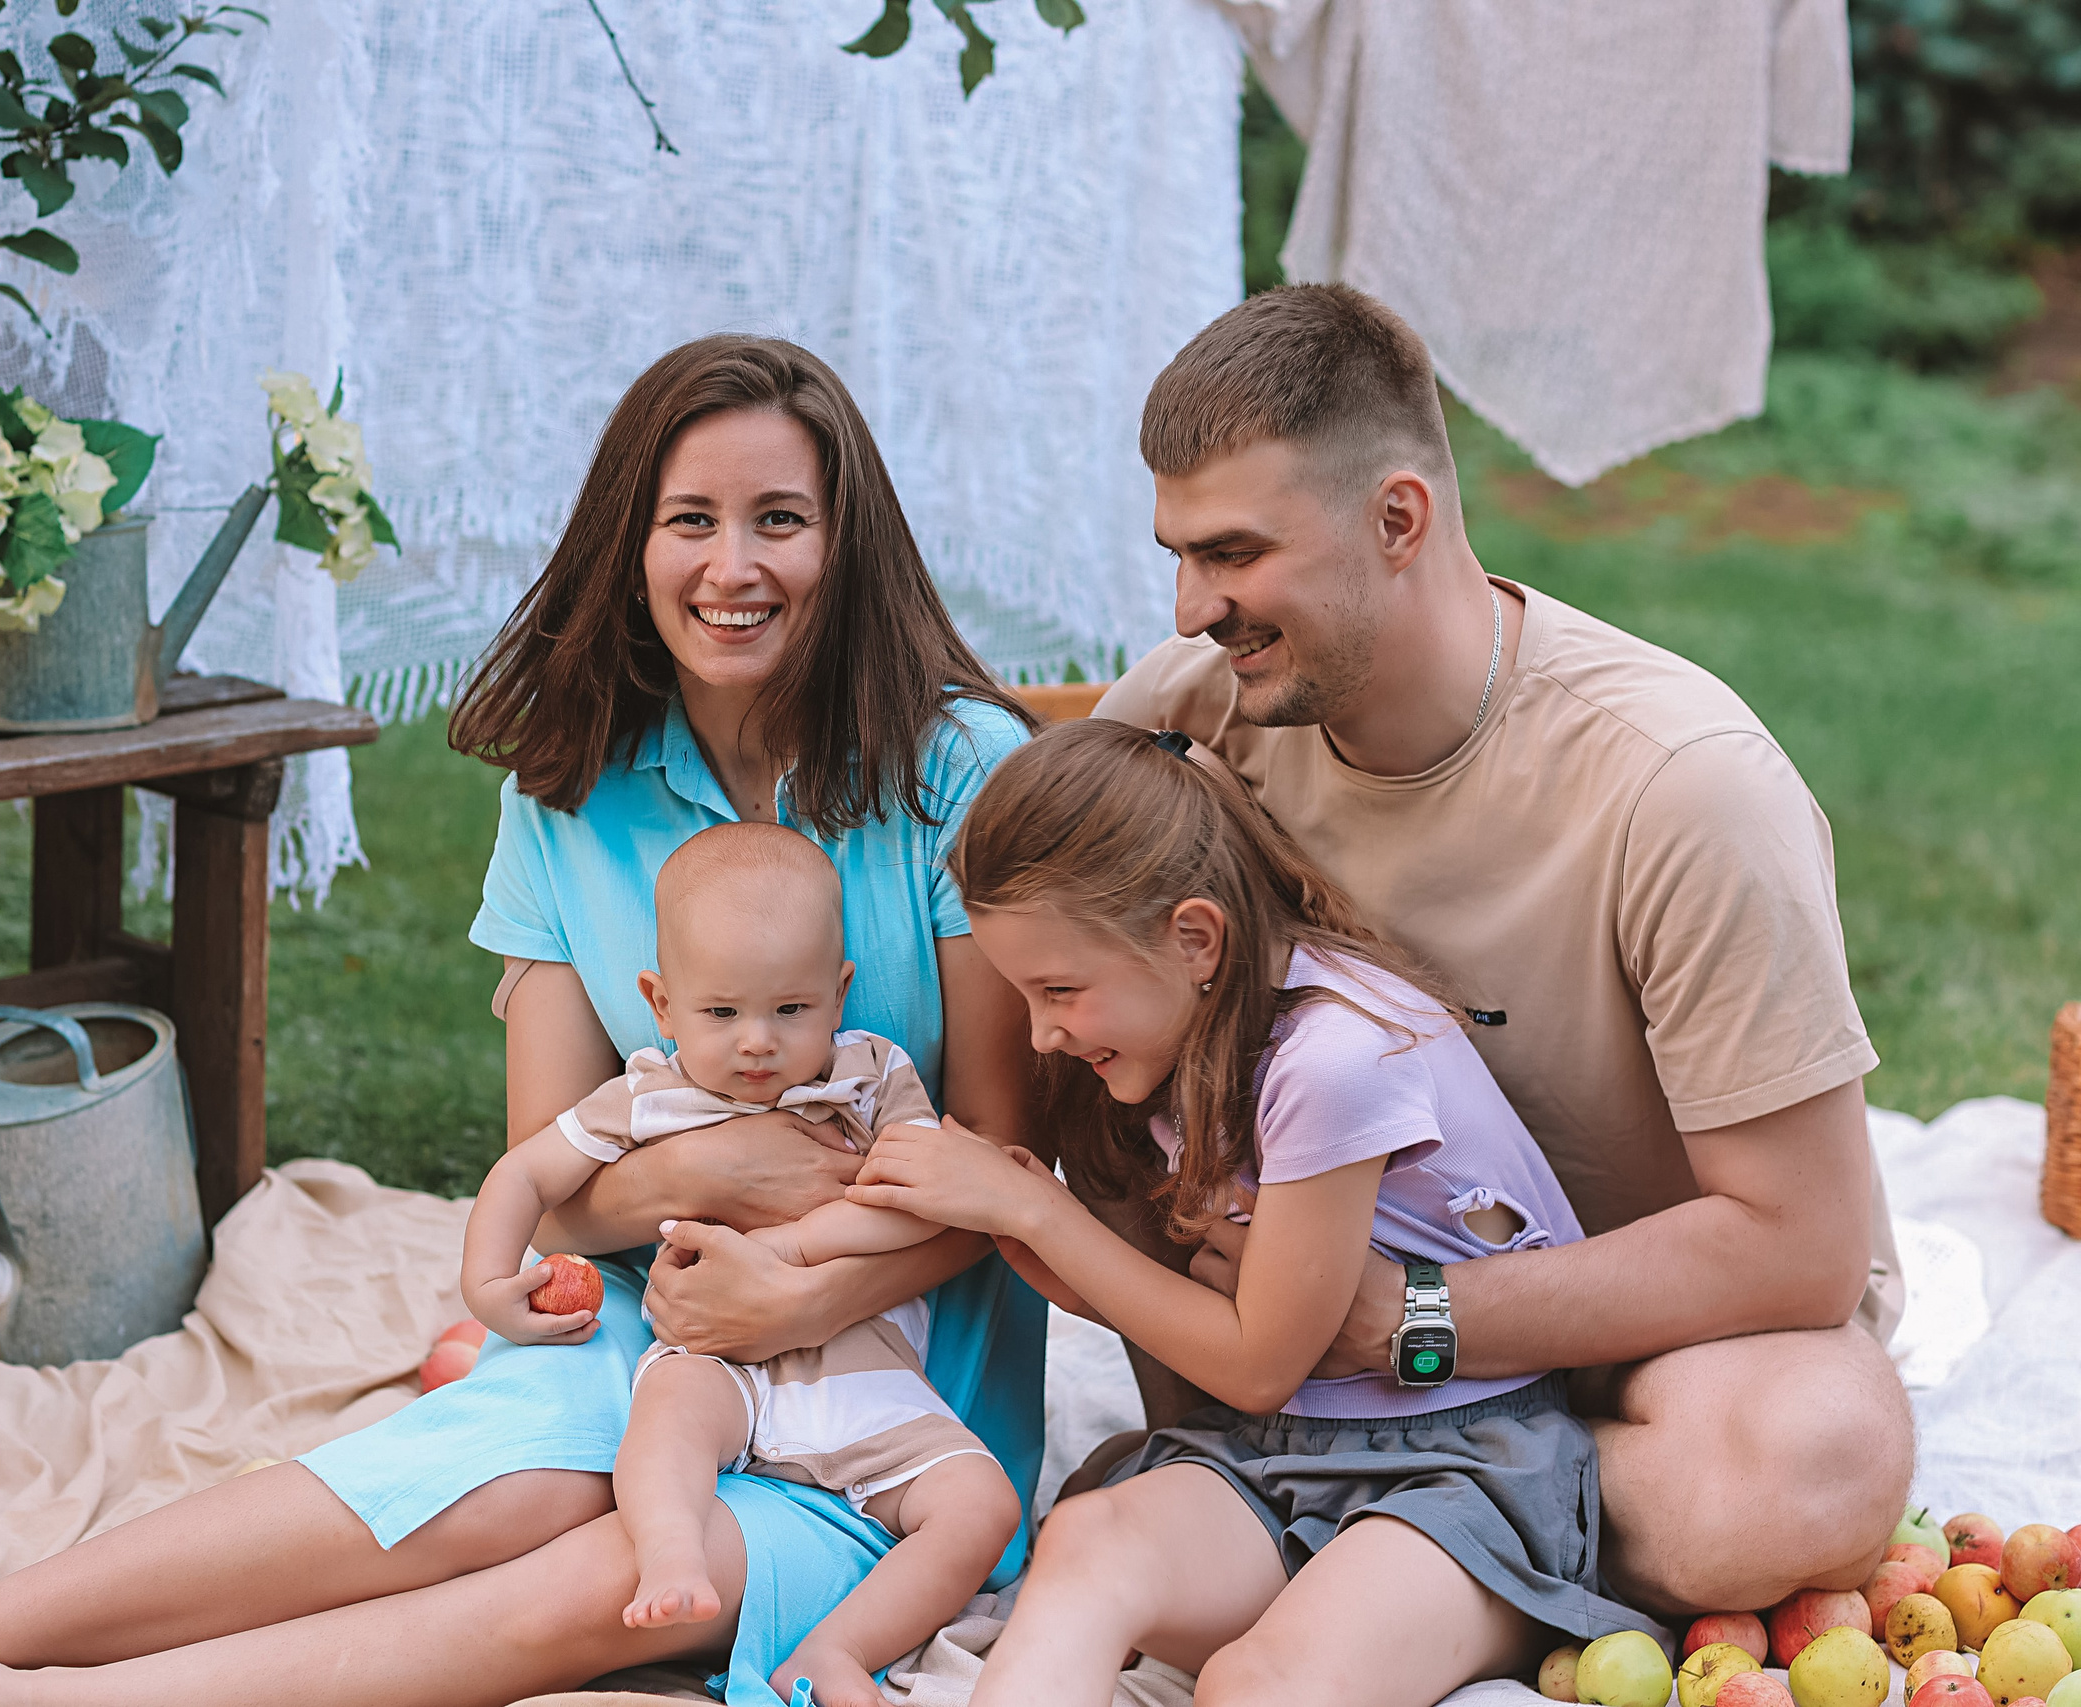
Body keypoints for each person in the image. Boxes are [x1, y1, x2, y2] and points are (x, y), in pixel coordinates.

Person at [0, 335, 1044, 1707]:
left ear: (846, 540)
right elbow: (553, 1186)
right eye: (690, 519)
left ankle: (55, 1703)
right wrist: (714, 1173)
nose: (732, 566)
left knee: (609, 1578)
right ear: (630, 541)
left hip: (895, 1390)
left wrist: (804, 1289)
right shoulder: (567, 791)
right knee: (476, 1487)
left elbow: (1007, 1168)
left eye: (781, 520)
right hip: (662, 1325)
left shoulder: (955, 774)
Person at [1080, 282, 1912, 1617]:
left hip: (1640, 1343)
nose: (1190, 608)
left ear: (1397, 519)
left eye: (1232, 554)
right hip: (1300, 1336)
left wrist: (1412, 1319)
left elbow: (1802, 1244)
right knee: (1065, 1013)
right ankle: (1338, 1510)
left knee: (1814, 1459)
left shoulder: (1683, 785)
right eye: (1178, 554)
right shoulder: (1192, 723)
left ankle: (1350, 1535)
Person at [848, 718, 1666, 1703]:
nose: (1043, 1035)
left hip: (1464, 1472)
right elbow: (1236, 1334)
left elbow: (1257, 1360)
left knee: (1258, 1681)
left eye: (1059, 990)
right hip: (1280, 1453)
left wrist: (1041, 1213)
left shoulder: (1335, 1058)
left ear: (1195, 938)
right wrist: (1042, 1247)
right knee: (1088, 1541)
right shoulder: (1209, 1031)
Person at [464, 821, 1023, 1706]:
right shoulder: (649, 1093)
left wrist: (793, 1248)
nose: (757, 1041)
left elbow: (932, 1195)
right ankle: (671, 1553)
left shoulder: (873, 1078)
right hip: (713, 1353)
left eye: (790, 1009)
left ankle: (833, 1652)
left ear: (838, 993)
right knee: (665, 1425)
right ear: (661, 1003)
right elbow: (528, 1169)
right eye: (721, 1013)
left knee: (982, 1505)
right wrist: (488, 1283)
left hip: (861, 1364)